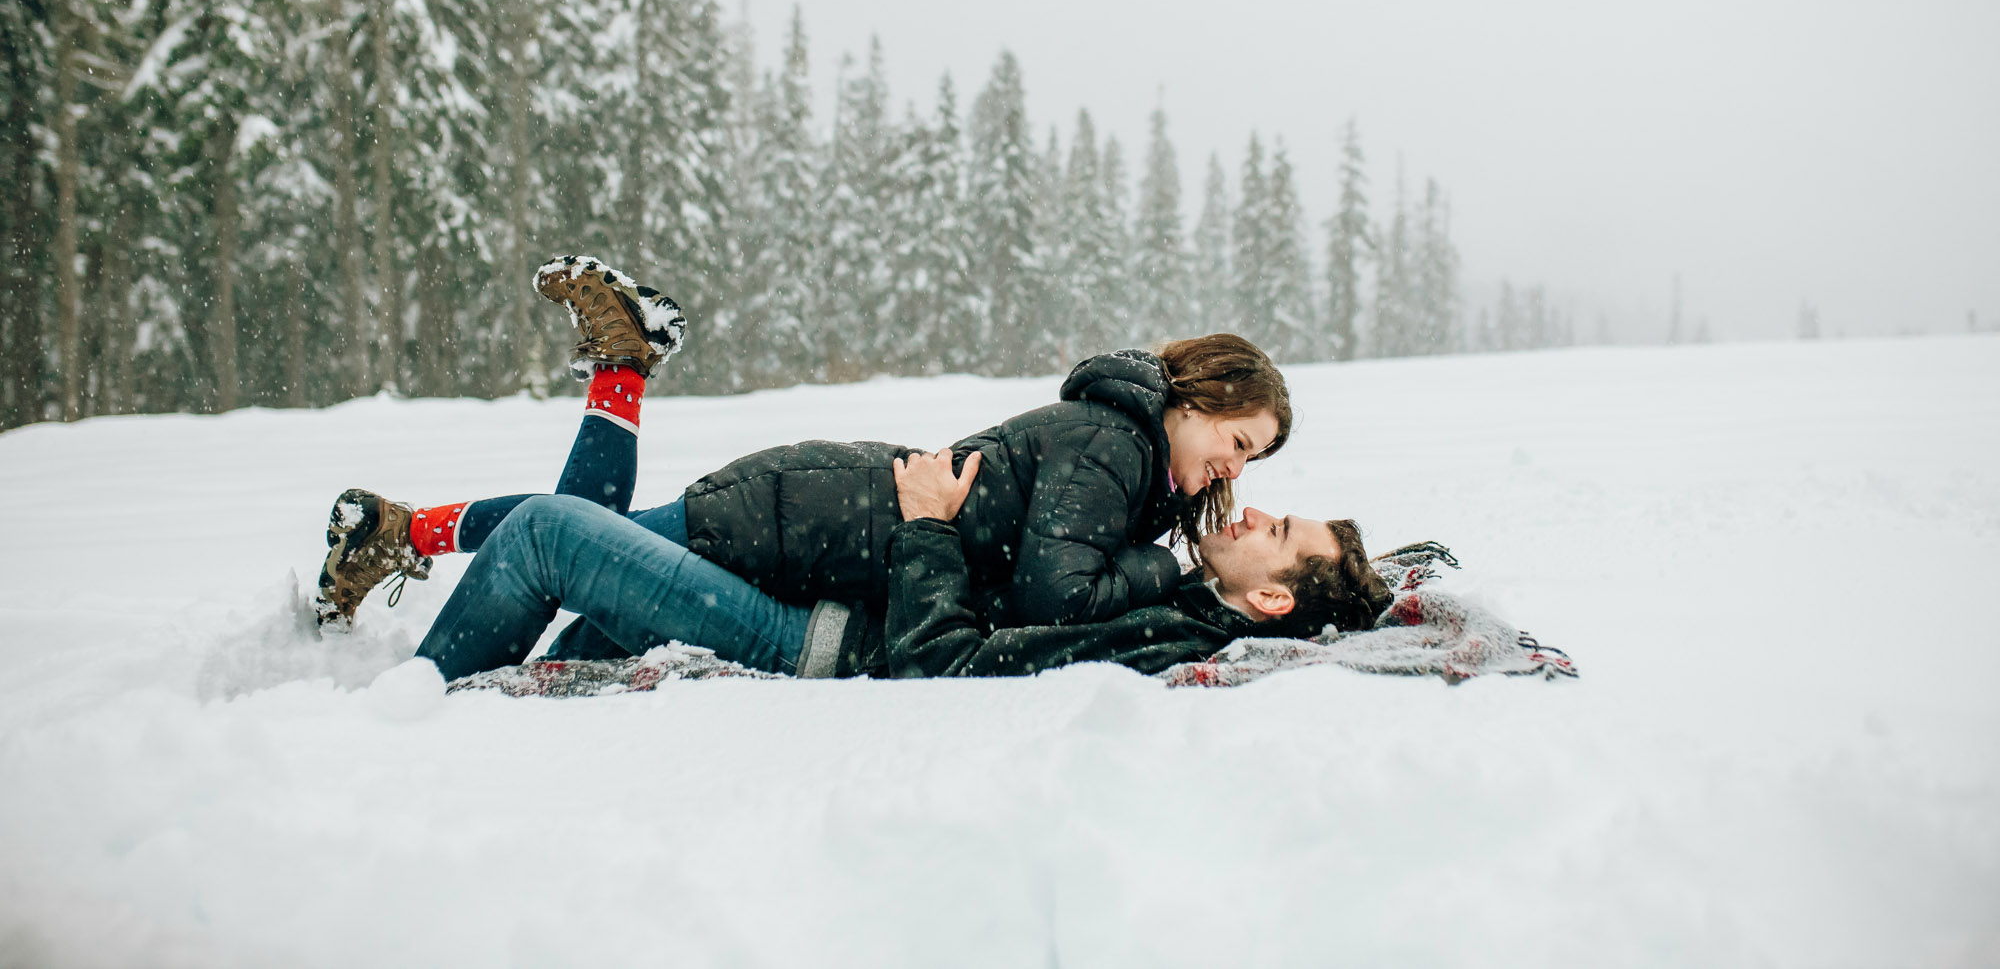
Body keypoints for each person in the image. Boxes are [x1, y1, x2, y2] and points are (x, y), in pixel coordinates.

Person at [317, 256, 1294, 641]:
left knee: (585, 536)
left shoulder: (1128, 466)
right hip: (798, 525)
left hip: (809, 523)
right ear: (1199, 395)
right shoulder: (1114, 446)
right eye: (1238, 440)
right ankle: (403, 534)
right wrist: (1164, 573)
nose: (1236, 470)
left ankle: (621, 367)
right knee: (571, 537)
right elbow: (1053, 591)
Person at [404, 445, 1392, 684]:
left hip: (823, 638)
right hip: (828, 598)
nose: (1251, 505)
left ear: (1266, 594)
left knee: (546, 530)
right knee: (594, 607)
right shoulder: (1166, 588)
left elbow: (943, 661)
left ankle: (407, 713)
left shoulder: (1160, 627)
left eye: (1277, 528)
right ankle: (488, 696)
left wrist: (925, 523)